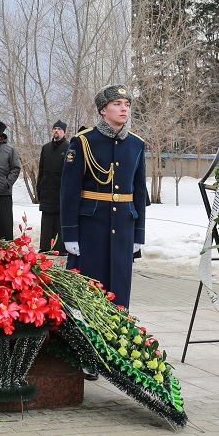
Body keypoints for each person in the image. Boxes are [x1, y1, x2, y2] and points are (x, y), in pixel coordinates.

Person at [61, 85, 147, 310]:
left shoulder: (136, 144)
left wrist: (139, 234)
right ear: (103, 110)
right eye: (117, 104)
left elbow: (138, 192)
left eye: (127, 105)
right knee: (88, 291)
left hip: (124, 229)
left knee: (119, 293)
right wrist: (70, 234)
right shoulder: (83, 142)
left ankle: (119, 338)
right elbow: (69, 192)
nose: (124, 110)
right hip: (91, 228)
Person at [37, 120, 69, 254]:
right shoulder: (46, 148)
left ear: (64, 132)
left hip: (61, 189)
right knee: (47, 219)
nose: (56, 131)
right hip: (47, 189)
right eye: (54, 129)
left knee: (59, 219)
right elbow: (41, 169)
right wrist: (39, 187)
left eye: (59, 129)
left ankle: (59, 248)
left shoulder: (69, 147)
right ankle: (45, 247)